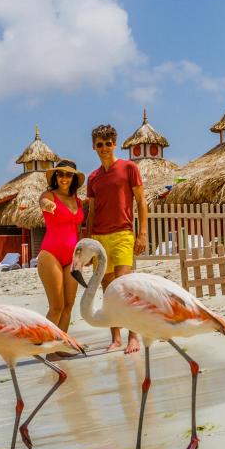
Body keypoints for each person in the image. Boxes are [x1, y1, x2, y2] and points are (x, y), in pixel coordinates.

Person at [85, 123, 148, 354]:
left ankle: (133, 336)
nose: (104, 148)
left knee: (124, 286)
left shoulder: (129, 168)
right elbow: (91, 212)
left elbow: (141, 201)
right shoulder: (92, 177)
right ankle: (116, 338)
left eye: (108, 144)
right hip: (99, 238)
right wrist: (88, 243)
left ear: (115, 144)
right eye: (100, 144)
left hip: (123, 233)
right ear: (94, 146)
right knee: (108, 289)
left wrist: (142, 234)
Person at [37, 159, 85, 340]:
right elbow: (43, 202)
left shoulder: (78, 201)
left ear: (73, 178)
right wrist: (48, 205)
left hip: (74, 257)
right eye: (61, 174)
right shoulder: (49, 195)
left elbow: (78, 230)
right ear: (56, 176)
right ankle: (43, 346)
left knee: (68, 306)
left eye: (68, 175)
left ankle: (60, 347)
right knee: (56, 307)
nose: (64, 178)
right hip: (51, 254)